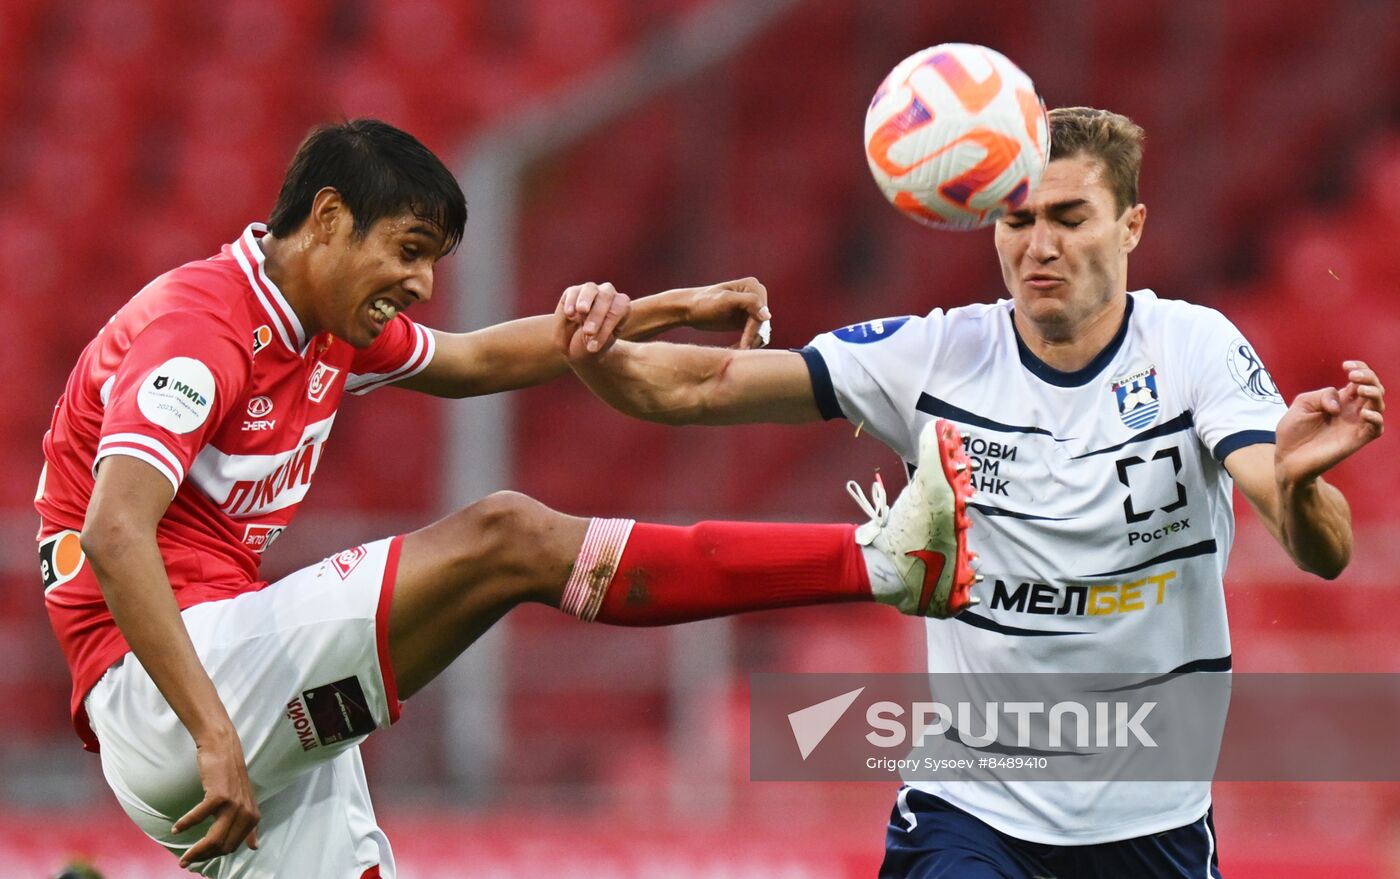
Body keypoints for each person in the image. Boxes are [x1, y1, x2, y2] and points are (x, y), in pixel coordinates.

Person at [35, 119, 980, 877]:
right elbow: (115, 532)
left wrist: (656, 308)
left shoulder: (316, 322)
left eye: (432, 261)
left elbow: (476, 358)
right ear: (327, 217)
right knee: (508, 534)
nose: (420, 283)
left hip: (209, 693)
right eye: (408, 250)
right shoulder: (200, 330)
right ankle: (884, 561)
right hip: (169, 692)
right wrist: (212, 732)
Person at [558, 106, 1387, 878]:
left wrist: (1298, 485)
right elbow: (703, 385)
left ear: (1131, 225)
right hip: (972, 813)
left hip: (1156, 823)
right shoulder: (938, 355)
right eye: (1019, 221)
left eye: (1070, 218)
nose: (1040, 246)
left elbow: (1320, 547)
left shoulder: (1192, 348)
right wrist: (600, 348)